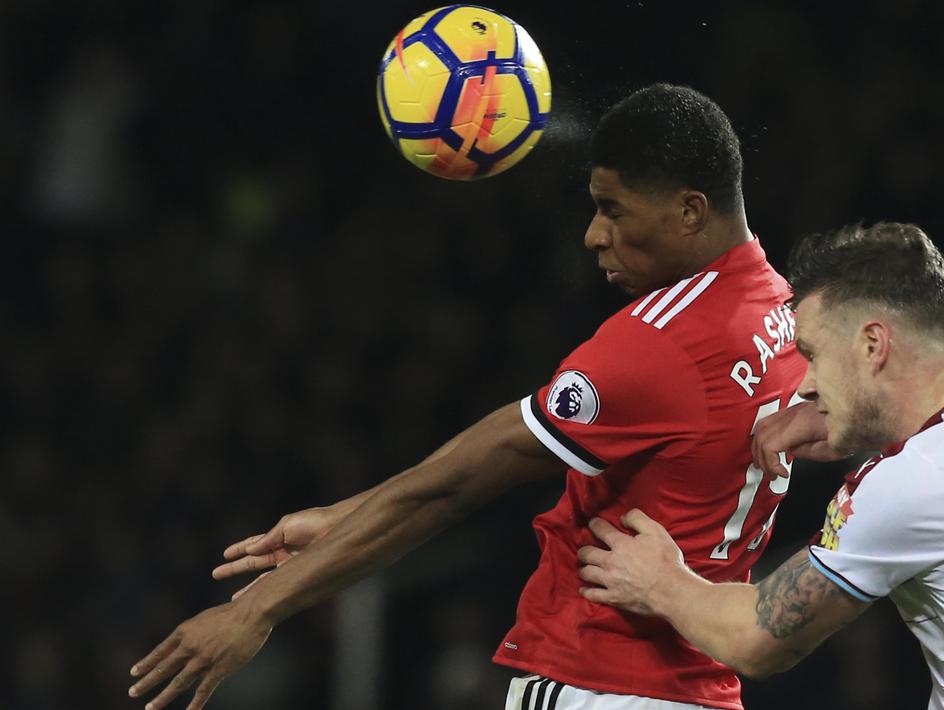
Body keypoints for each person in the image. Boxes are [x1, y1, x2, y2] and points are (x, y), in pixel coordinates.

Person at [128, 83, 806, 710]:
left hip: (602, 680)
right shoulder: (777, 309)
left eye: (611, 210)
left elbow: (452, 488)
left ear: (690, 210)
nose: (593, 234)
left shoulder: (660, 345)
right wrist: (347, 517)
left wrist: (256, 610)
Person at [578, 223, 944, 708]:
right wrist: (855, 425)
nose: (807, 382)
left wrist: (662, 582)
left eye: (812, 355)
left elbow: (758, 641)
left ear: (872, 345)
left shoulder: (907, 484)